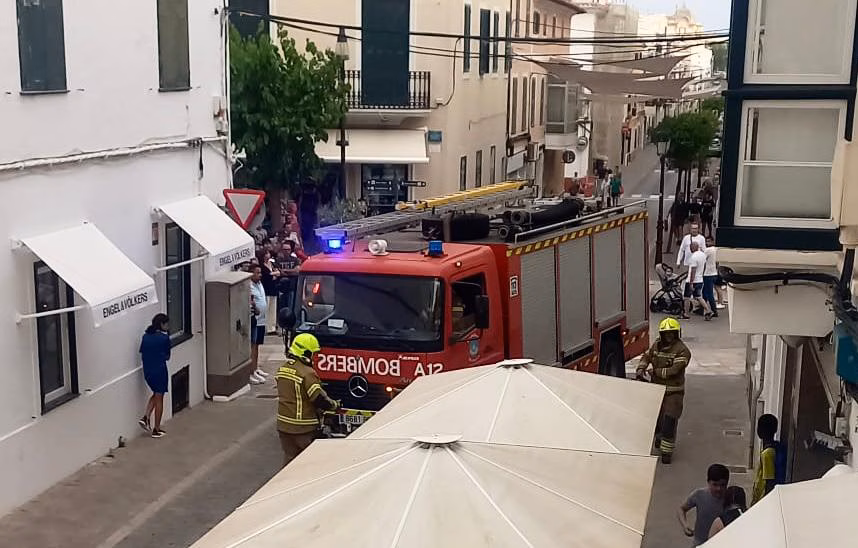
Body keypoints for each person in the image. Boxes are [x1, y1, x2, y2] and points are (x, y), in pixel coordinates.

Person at [275, 333, 339, 466]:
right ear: (306, 353)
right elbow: (319, 399)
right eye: (313, 354)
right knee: (309, 465)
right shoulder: (307, 373)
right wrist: (334, 405)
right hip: (303, 427)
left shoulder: (283, 369)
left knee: (289, 462)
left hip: (283, 426)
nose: (314, 357)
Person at [636, 317, 691, 463]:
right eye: (666, 334)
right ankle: (659, 438)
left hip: (674, 393)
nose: (669, 336)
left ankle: (667, 453)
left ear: (676, 333)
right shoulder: (656, 345)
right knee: (657, 421)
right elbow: (647, 356)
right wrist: (641, 368)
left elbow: (673, 370)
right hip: (657, 391)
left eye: (672, 333)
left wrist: (655, 372)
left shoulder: (683, 351)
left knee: (669, 421)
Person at [678, 464, 730, 547]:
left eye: (722, 485)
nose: (719, 489)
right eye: (715, 484)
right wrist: (685, 526)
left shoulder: (730, 499)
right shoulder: (699, 495)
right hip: (700, 542)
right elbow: (681, 509)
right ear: (708, 482)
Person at [138, 313, 171, 438]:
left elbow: (142, 352)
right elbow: (167, 356)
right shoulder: (164, 338)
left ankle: (146, 417)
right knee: (159, 399)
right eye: (167, 323)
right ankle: (156, 429)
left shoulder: (145, 337)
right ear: (162, 324)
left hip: (148, 372)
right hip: (160, 371)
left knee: (156, 394)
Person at [752, 413, 785, 505]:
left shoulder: (767, 454)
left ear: (759, 431)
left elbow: (769, 481)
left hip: (763, 498)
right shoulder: (776, 446)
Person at [249, 265, 269, 385]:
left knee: (257, 346)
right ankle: (250, 371)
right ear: (251, 274)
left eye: (260, 272)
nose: (260, 275)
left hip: (261, 320)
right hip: (254, 319)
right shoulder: (249, 286)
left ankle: (255, 368)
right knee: (252, 345)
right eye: (258, 273)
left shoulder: (260, 284)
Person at [685, 241, 713, 321]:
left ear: (693, 247)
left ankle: (686, 313)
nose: (690, 249)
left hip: (693, 280)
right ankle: (708, 310)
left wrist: (691, 283)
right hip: (700, 279)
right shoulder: (703, 255)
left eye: (690, 247)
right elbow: (704, 266)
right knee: (699, 296)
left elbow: (693, 270)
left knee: (686, 297)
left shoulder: (694, 257)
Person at [259, 250, 281, 335]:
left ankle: (272, 327)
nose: (268, 255)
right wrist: (273, 274)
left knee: (273, 309)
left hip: (273, 289)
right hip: (266, 289)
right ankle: (266, 327)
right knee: (267, 309)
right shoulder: (262, 266)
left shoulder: (272, 263)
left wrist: (273, 274)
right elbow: (267, 276)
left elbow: (278, 272)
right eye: (266, 253)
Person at [703, 241, 720, 318]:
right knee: (705, 291)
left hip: (708, 274)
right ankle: (703, 307)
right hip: (714, 273)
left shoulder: (708, 250)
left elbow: (702, 260)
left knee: (709, 293)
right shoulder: (717, 250)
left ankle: (713, 310)